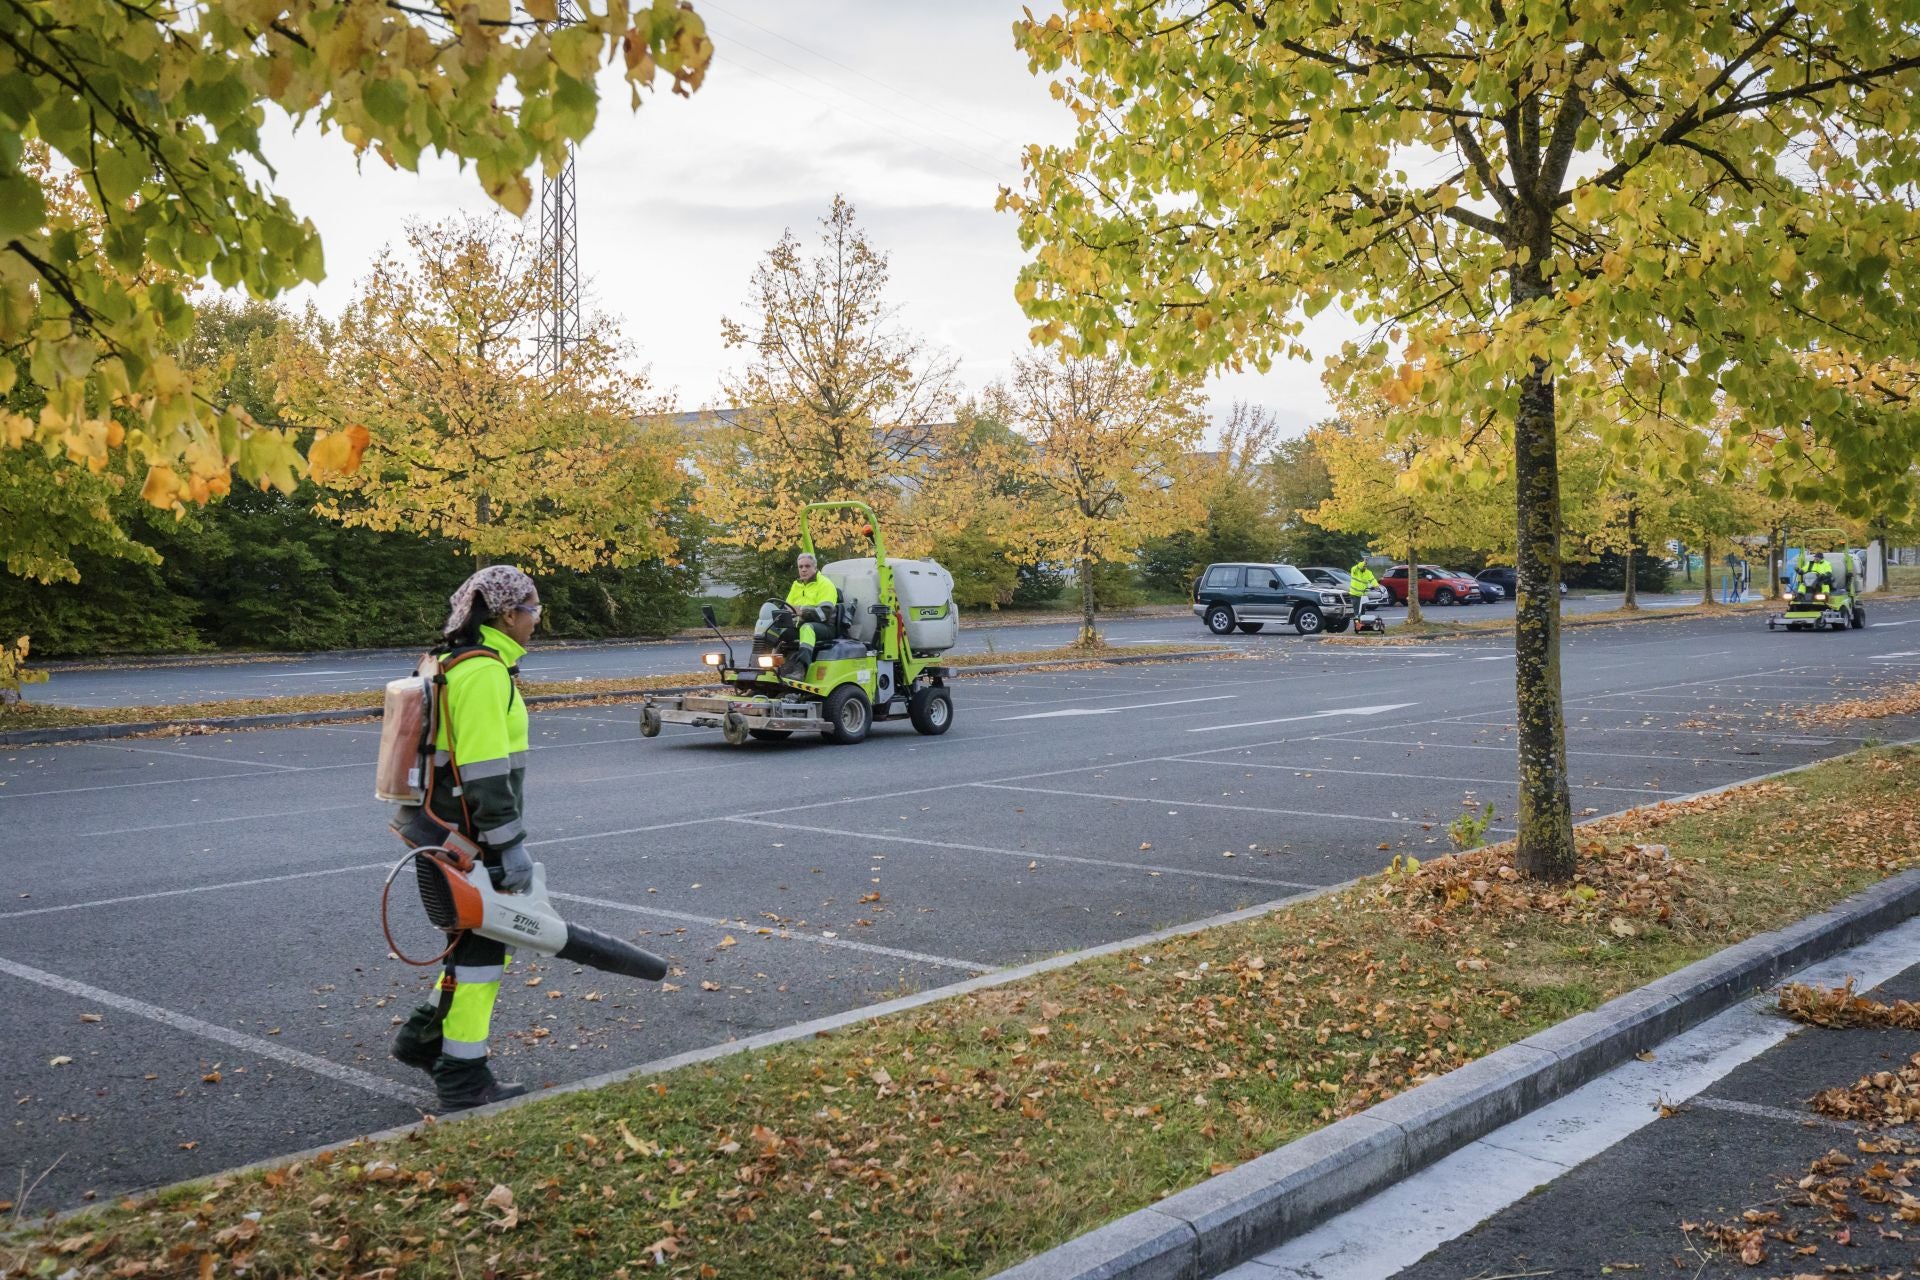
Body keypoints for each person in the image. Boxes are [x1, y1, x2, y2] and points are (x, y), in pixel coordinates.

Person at [391, 565, 541, 1110]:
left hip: (438, 829)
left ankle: (421, 1038)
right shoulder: (484, 672)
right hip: (468, 838)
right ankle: (462, 1074)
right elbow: (483, 769)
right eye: (533, 610)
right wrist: (509, 845)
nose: (536, 622)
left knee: (468, 947)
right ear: (507, 613)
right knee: (481, 957)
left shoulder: (452, 661)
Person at [780, 552, 839, 676]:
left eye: (807, 566)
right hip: (799, 624)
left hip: (824, 627)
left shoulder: (825, 584)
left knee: (807, 629)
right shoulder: (797, 585)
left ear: (815, 568)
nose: (804, 570)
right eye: (800, 567)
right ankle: (762, 667)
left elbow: (825, 613)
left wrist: (802, 611)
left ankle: (801, 669)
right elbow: (787, 608)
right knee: (772, 630)